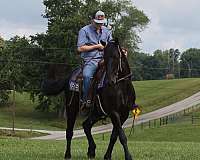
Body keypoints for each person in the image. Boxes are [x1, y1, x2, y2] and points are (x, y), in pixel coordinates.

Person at [77, 10, 112, 111]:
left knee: (118, 71)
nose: (99, 25)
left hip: (105, 58)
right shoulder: (84, 31)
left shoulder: (107, 31)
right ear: (92, 20)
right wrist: (96, 46)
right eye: (97, 23)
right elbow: (80, 48)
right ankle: (86, 99)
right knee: (87, 76)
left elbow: (110, 44)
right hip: (91, 59)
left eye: (101, 23)